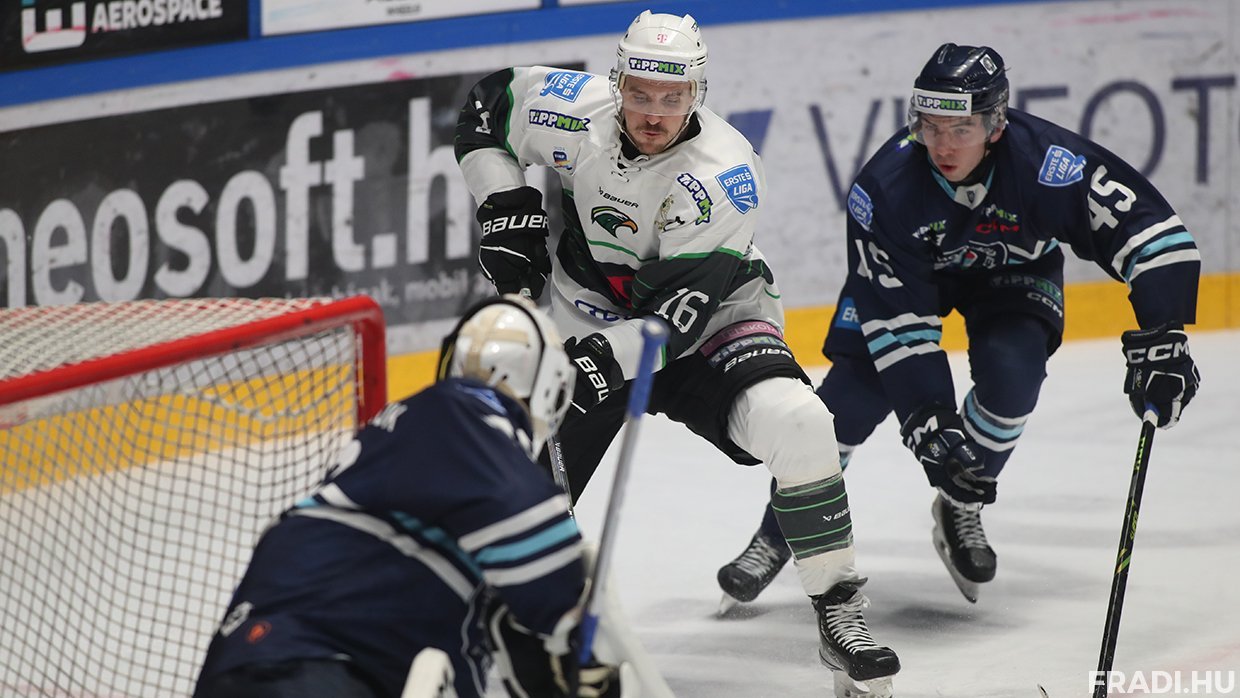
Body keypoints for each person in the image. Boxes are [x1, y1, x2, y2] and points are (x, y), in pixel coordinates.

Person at [454, 10, 900, 695]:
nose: (654, 113)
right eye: (639, 93)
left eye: (673, 97)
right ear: (617, 82)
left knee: (801, 423)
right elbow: (489, 107)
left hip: (709, 325)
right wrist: (503, 200)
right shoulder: (572, 110)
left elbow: (671, 325)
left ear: (698, 93)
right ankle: (490, 632)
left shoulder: (724, 173)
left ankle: (838, 607)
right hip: (584, 313)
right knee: (518, 483)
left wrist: (594, 364)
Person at [718, 42, 1202, 605]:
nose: (943, 145)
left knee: (1014, 377)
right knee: (849, 401)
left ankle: (961, 502)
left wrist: (1164, 336)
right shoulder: (884, 189)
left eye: (961, 128)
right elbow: (900, 325)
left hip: (1011, 276)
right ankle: (779, 532)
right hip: (908, 282)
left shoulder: (1047, 163)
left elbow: (1150, 232)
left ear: (995, 124)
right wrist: (929, 423)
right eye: (931, 126)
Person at [193, 295, 633, 698]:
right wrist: (573, 634)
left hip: (260, 660)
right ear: (549, 387)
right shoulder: (459, 413)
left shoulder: (408, 441)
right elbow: (540, 542)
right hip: (314, 666)